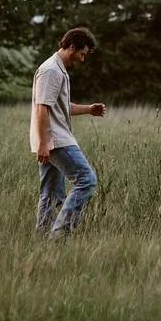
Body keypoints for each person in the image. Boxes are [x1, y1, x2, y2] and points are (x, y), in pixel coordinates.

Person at [30, 26, 106, 237]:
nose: (83, 59)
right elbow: (41, 108)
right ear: (72, 47)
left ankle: (44, 238)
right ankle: (60, 234)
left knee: (51, 193)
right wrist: (44, 143)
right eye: (82, 54)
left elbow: (60, 106)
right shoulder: (51, 70)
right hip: (55, 141)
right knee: (87, 180)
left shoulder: (57, 69)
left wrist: (89, 109)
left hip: (51, 140)